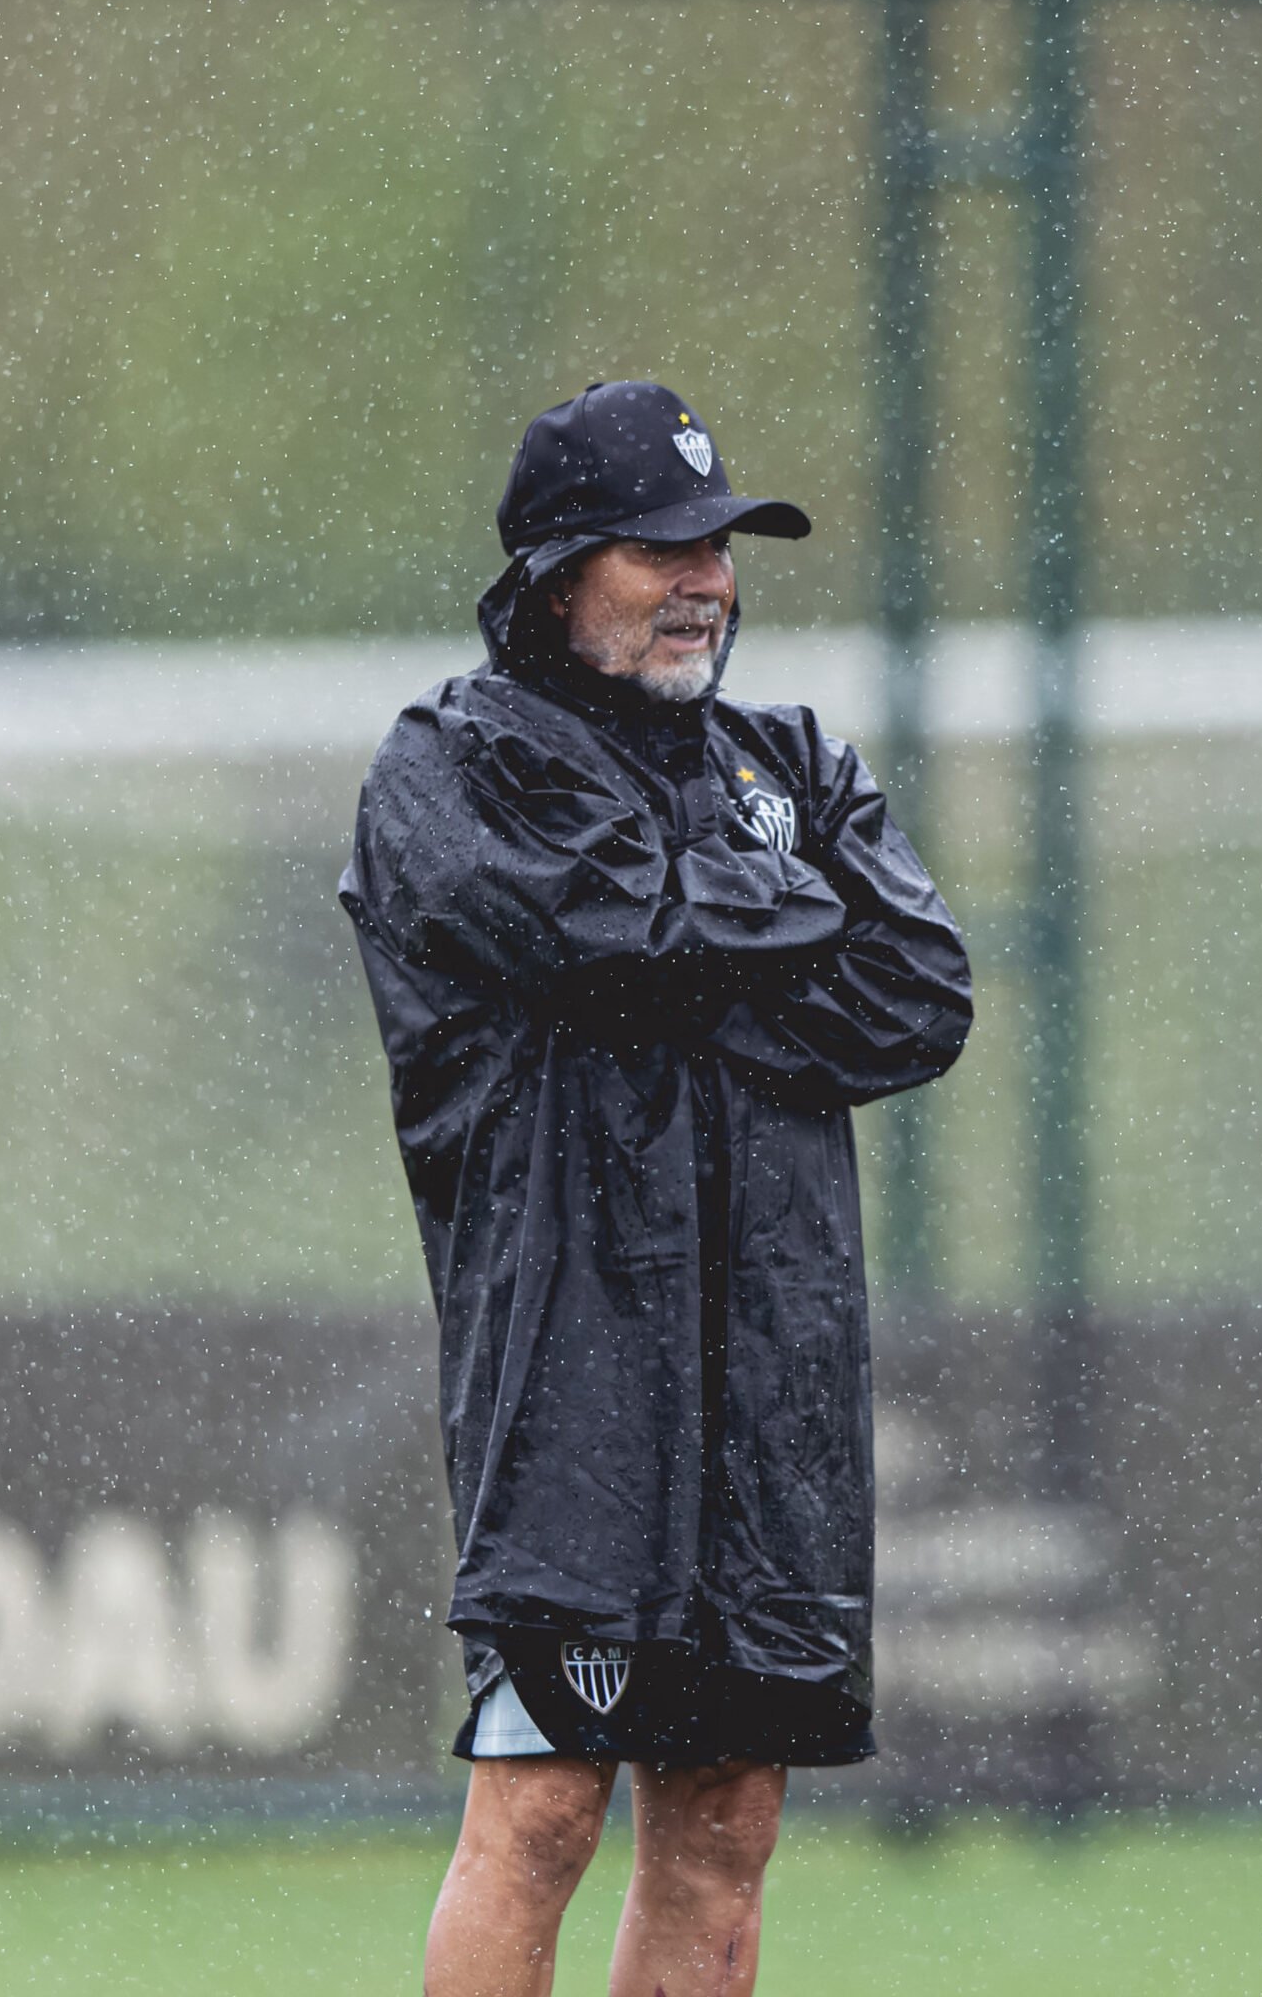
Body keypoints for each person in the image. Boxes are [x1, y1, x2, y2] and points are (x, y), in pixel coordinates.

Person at [339, 381, 972, 1997]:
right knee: (542, 1813)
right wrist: (764, 918)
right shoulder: (453, 762)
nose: (708, 579)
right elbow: (613, 933)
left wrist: (700, 935)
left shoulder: (792, 758)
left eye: (722, 546)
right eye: (662, 548)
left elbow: (917, 998)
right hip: (575, 1378)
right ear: (560, 574)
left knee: (725, 1825)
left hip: (775, 1382)